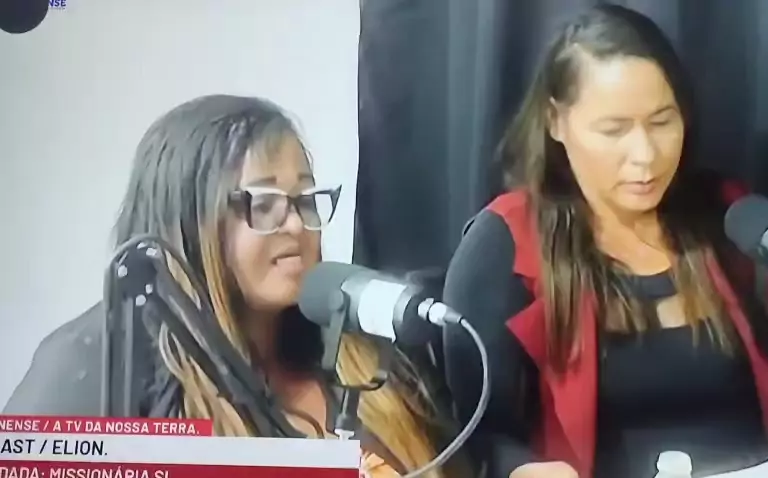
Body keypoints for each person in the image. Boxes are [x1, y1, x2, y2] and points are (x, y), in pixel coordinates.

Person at [5, 95, 466, 478]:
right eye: (263, 204)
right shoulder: (101, 363)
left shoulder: (364, 357)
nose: (295, 224)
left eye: (305, 199)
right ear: (189, 223)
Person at [442, 6, 768, 478]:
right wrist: (521, 469)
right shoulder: (507, 242)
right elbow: (477, 432)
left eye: (662, 122)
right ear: (555, 121)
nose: (645, 155)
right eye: (614, 130)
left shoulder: (732, 219)